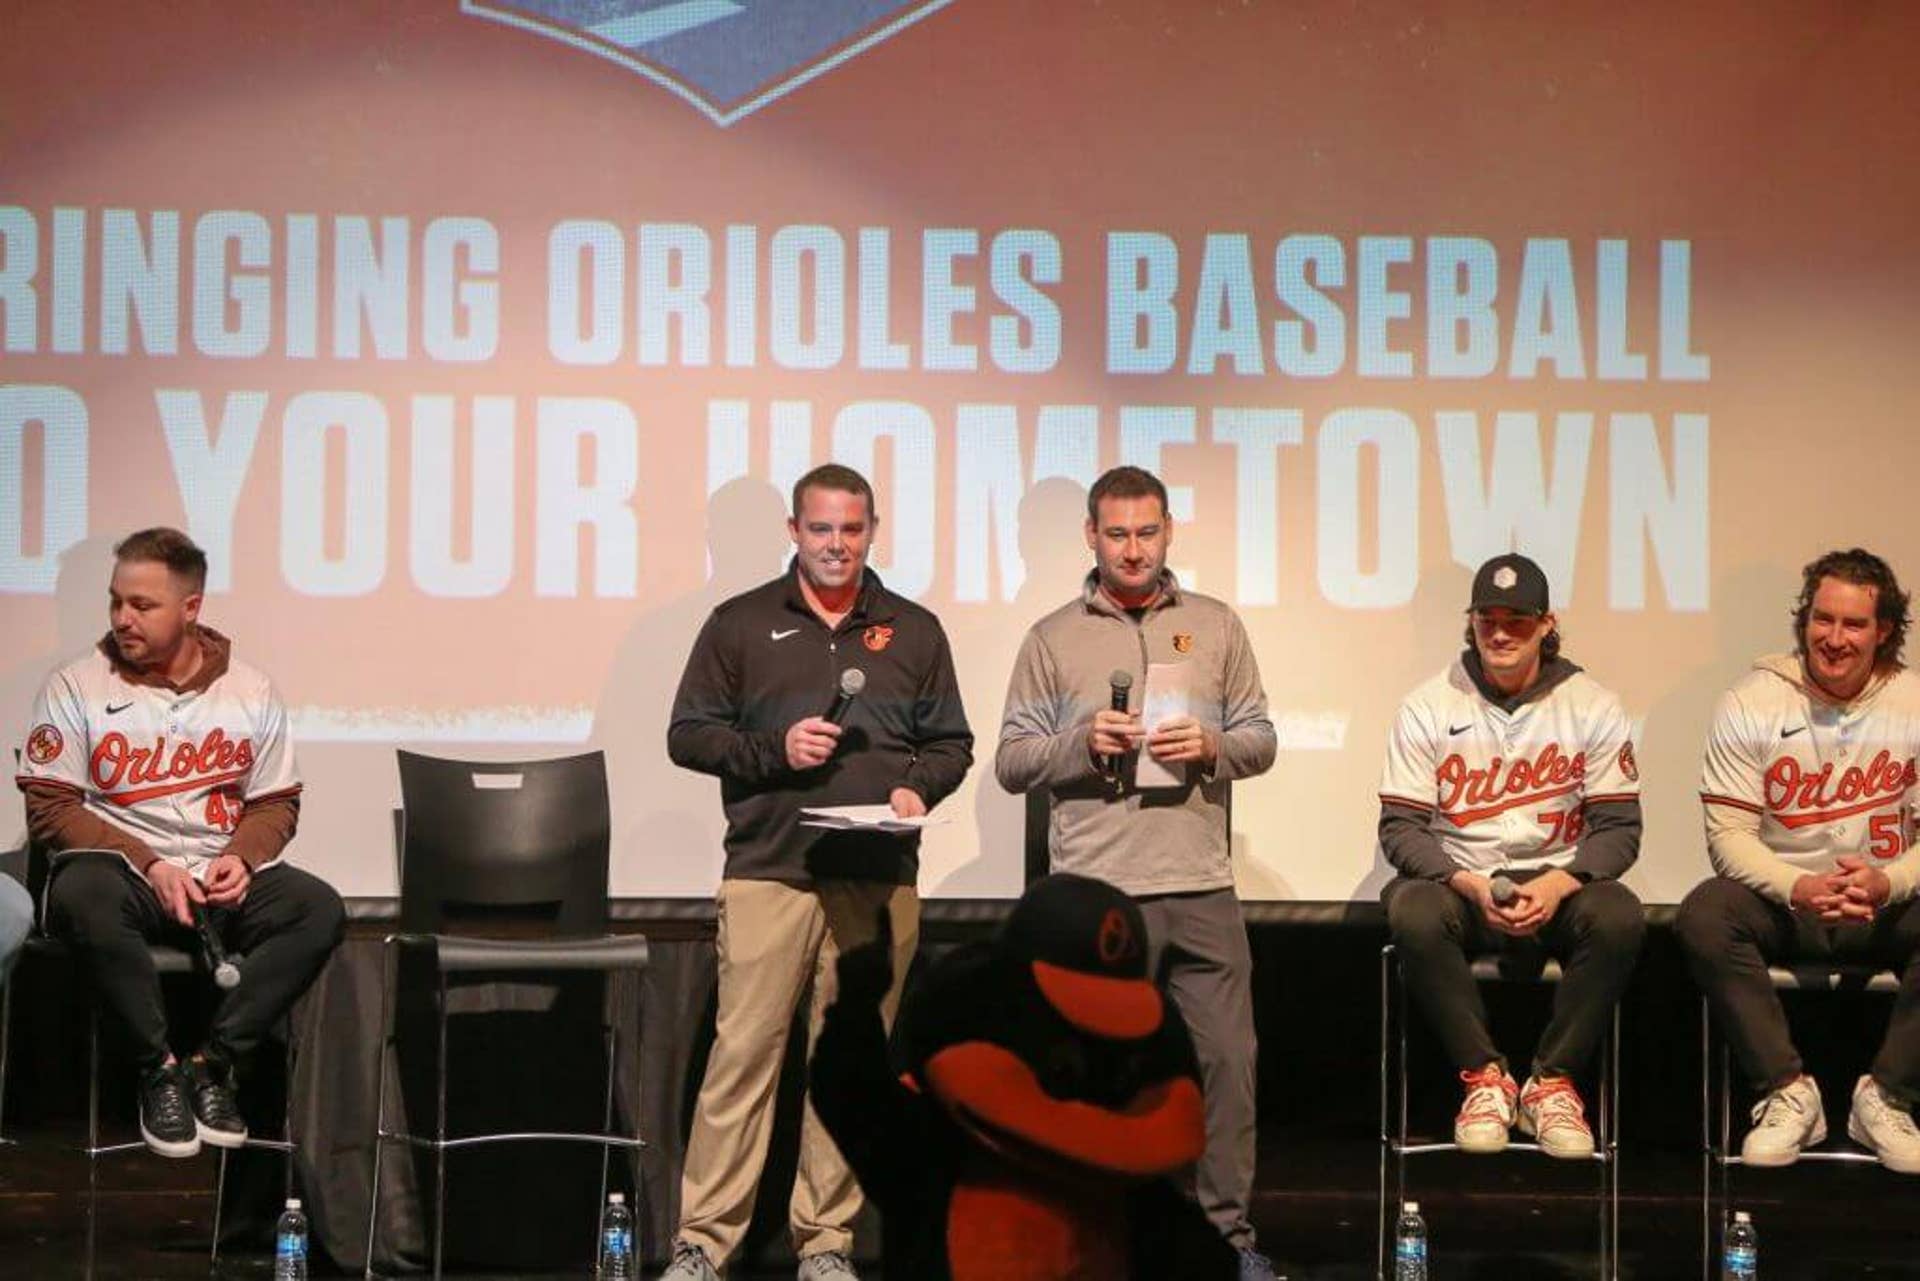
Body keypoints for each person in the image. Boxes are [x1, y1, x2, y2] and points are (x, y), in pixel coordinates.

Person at [660, 464, 975, 1281]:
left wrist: (919, 787)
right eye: (822, 529)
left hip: (876, 877)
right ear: (795, 532)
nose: (838, 545)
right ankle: (704, 1241)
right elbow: (688, 734)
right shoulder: (739, 622)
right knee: (743, 1060)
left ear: (873, 530)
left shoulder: (915, 628)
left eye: (853, 529)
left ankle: (826, 1244)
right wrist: (776, 750)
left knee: (848, 1069)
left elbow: (953, 744)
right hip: (771, 868)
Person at [996, 465, 1279, 1280]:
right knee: (1091, 1076)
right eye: (1116, 533)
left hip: (1198, 882)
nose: (1132, 549)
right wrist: (1082, 741)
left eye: (1146, 532)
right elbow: (1013, 761)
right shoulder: (1052, 637)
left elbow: (1261, 736)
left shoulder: (1217, 625)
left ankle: (1224, 1240)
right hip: (1095, 893)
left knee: (1227, 1063)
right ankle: (1092, 1241)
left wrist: (1213, 746)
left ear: (1169, 531)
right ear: (1091, 536)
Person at [15, 527, 344, 1158]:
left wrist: (240, 857)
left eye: (142, 605)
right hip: (126, 878)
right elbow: (50, 807)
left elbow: (276, 801)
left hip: (215, 875)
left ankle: (211, 1064)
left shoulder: (250, 691)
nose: (122, 618)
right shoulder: (76, 685)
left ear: (191, 608)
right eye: (116, 601)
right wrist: (147, 861)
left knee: (316, 906)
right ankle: (157, 1070)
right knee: (83, 892)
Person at [1376, 553, 1645, 1160]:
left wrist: (1560, 882)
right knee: (1412, 908)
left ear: (1547, 624)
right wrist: (1466, 881)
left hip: (1555, 881)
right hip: (1464, 884)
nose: (1499, 633)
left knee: (1620, 913)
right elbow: (1401, 830)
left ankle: (1551, 1083)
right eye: (1487, 619)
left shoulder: (1591, 703)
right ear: (1470, 622)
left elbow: (1620, 829)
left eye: (1516, 621)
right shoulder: (1428, 704)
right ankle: (1485, 1079)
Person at [1677, 548, 1920, 1173]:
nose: (1834, 639)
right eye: (1822, 620)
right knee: (1706, 911)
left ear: (1884, 629)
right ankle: (1787, 1093)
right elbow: (1727, 834)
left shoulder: (1913, 703)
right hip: (1791, 904)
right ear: (1804, 619)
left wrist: (1888, 881)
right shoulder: (1752, 700)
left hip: (1882, 904)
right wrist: (1799, 885)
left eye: (1854, 625)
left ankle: (1886, 1098)